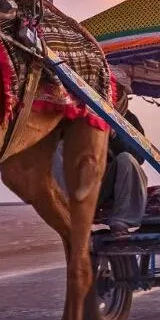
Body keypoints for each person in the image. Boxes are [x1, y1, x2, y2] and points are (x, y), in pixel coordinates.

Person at [52, 84, 148, 237]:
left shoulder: (130, 120)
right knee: (57, 149)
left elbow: (140, 157)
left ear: (123, 95)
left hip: (111, 183)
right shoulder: (80, 112)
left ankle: (122, 221)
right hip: (82, 180)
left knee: (127, 159)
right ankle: (70, 212)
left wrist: (114, 135)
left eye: (116, 90)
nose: (112, 93)